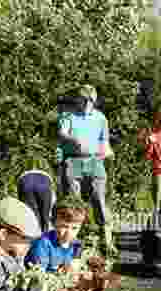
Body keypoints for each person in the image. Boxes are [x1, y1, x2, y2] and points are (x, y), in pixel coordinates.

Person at [56, 85, 115, 255]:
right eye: (83, 100)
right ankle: (72, 243)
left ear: (93, 101)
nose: (85, 103)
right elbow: (62, 133)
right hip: (73, 161)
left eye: (89, 101)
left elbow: (104, 141)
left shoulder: (101, 118)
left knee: (98, 199)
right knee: (73, 202)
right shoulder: (69, 116)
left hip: (95, 162)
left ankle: (107, 241)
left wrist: (107, 152)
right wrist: (73, 139)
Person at [18, 169, 56, 233]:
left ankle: (33, 237)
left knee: (31, 216)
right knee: (46, 216)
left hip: (24, 180)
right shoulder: (48, 173)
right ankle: (45, 237)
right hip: (44, 180)